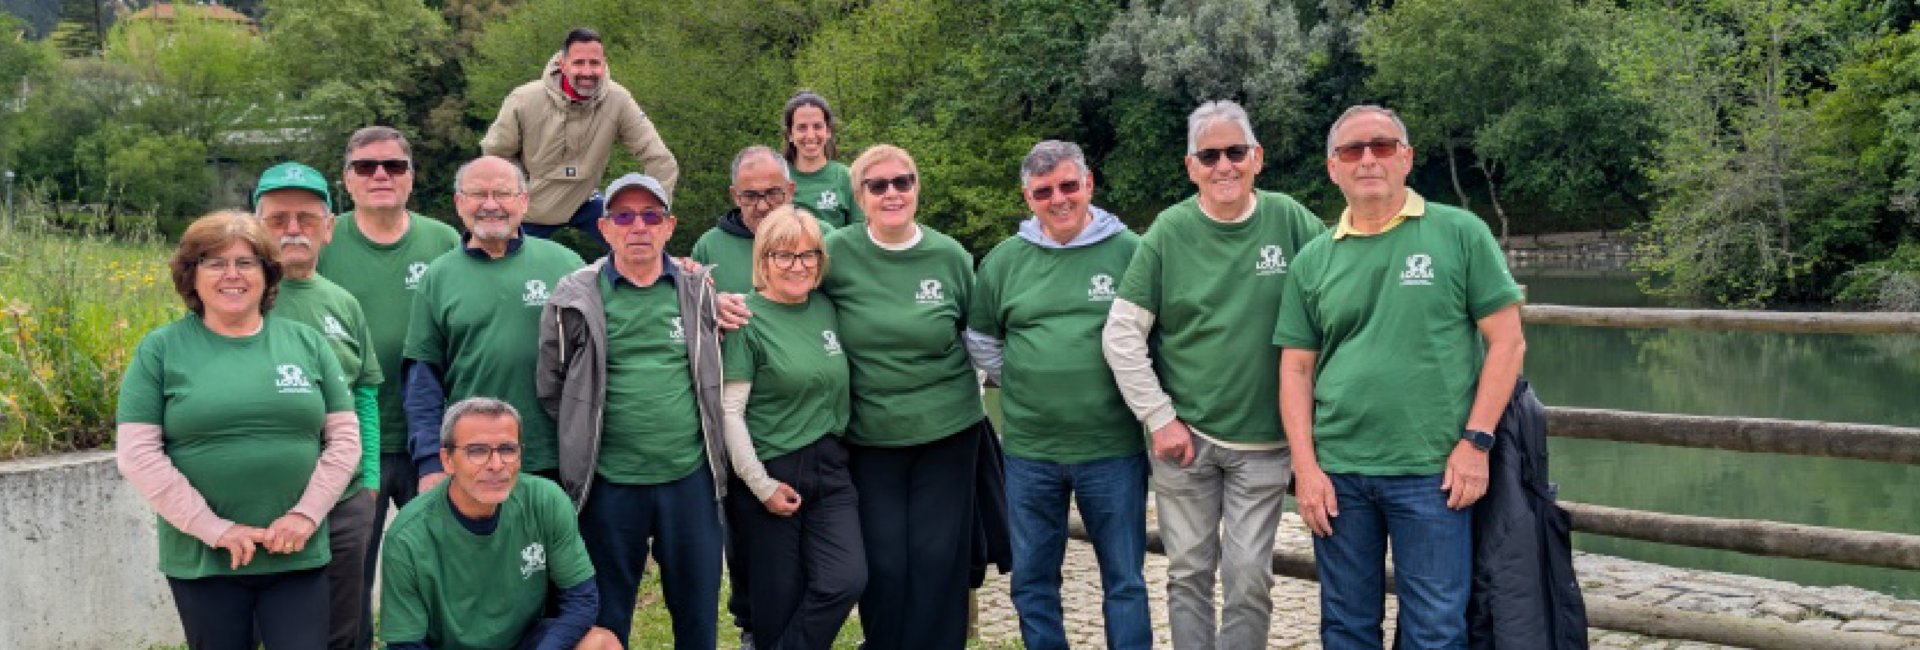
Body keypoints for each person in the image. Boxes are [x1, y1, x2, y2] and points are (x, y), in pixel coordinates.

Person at [1273, 105, 1526, 650]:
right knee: (1345, 628)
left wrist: (1476, 442)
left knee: (1435, 629)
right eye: (1352, 150)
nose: (1367, 159)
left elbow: (1507, 341)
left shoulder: (1459, 232)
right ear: (1332, 168)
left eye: (1382, 146)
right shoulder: (1313, 260)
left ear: (1406, 158)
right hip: (1338, 475)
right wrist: (1305, 468)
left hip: (1434, 472)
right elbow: (1295, 367)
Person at [1101, 100, 1327, 650]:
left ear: (1257, 158)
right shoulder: (1167, 232)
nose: (1223, 165)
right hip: (1187, 439)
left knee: (1249, 575)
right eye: (1209, 155)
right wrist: (1159, 417)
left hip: (1267, 442)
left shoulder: (1292, 220)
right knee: (1188, 575)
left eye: (1235, 152)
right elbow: (1121, 334)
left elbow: (1342, 298)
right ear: (1190, 166)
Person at [115, 210, 360, 649]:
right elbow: (138, 454)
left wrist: (306, 515)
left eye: (246, 263)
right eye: (215, 263)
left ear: (267, 276)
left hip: (296, 554)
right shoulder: (160, 350)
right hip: (205, 559)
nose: (233, 275)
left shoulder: (306, 343)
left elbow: (344, 440)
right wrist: (214, 528)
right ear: (192, 276)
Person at [967, 141, 1149, 650]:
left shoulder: (1130, 252)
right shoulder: (1004, 261)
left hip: (1113, 449)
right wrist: (1026, 382)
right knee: (1031, 582)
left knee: (1126, 583)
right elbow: (982, 342)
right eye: (1044, 191)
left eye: (1069, 186)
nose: (1059, 199)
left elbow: (1157, 336)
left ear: (1089, 184)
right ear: (1028, 197)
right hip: (1029, 452)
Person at [536, 173, 728, 648]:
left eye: (651, 215)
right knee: (607, 614)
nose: (637, 226)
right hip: (609, 483)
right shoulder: (573, 295)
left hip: (689, 479)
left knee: (698, 612)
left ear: (669, 226)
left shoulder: (697, 287)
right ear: (605, 228)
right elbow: (552, 384)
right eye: (624, 215)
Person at [821, 144, 997, 649]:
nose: (892, 193)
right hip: (870, 436)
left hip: (948, 432)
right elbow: (784, 290)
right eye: (878, 186)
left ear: (917, 188)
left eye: (903, 182)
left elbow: (981, 336)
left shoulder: (950, 255)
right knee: (885, 562)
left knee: (939, 559)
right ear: (860, 196)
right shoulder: (837, 252)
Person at [314, 125, 464, 648]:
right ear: (347, 181)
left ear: (412, 178)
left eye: (394, 166)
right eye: (366, 167)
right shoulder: (325, 241)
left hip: (433, 440)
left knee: (443, 567)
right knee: (350, 574)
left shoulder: (443, 240)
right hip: (353, 442)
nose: (381, 175)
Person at [720, 205, 865, 650]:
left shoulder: (826, 309)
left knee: (845, 579)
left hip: (831, 468)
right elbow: (730, 412)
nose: (797, 266)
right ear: (763, 260)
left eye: (807, 256)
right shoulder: (745, 317)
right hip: (770, 471)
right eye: (784, 255)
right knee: (777, 602)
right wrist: (761, 485)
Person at [253, 162, 384, 650]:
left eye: (306, 219)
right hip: (262, 500)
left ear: (328, 228)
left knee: (340, 629)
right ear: (255, 225)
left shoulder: (342, 303)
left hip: (343, 501)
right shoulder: (236, 300)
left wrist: (368, 480)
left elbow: (365, 392)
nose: (292, 230)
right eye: (278, 219)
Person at [379, 397, 623, 650]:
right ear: (447, 460)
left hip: (524, 643)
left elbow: (581, 599)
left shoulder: (545, 500)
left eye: (507, 449)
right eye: (477, 451)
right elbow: (405, 644)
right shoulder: (408, 535)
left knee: (602, 643)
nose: (496, 465)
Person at [403, 156, 585, 490]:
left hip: (558, 455)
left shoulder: (565, 263)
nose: (490, 205)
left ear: (524, 201)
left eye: (502, 193)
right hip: (475, 459)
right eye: (477, 194)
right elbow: (422, 379)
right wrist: (430, 460)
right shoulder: (438, 276)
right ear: (459, 203)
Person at [481, 27, 679, 249]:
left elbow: (661, 160)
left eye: (594, 63)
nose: (587, 71)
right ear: (563, 64)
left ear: (604, 65)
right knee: (497, 261)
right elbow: (495, 156)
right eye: (579, 63)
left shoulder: (619, 100)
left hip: (584, 201)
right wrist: (517, 194)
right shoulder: (524, 99)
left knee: (641, 243)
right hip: (530, 209)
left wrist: (653, 217)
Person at [691, 145, 838, 295]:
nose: (762, 206)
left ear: (790, 191)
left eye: (773, 193)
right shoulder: (709, 248)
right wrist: (715, 305)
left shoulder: (823, 236)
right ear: (735, 196)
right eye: (750, 196)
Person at [782, 91, 861, 228]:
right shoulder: (779, 178)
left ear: (828, 131)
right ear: (790, 134)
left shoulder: (848, 178)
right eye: (802, 128)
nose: (811, 135)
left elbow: (860, 234)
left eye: (817, 126)